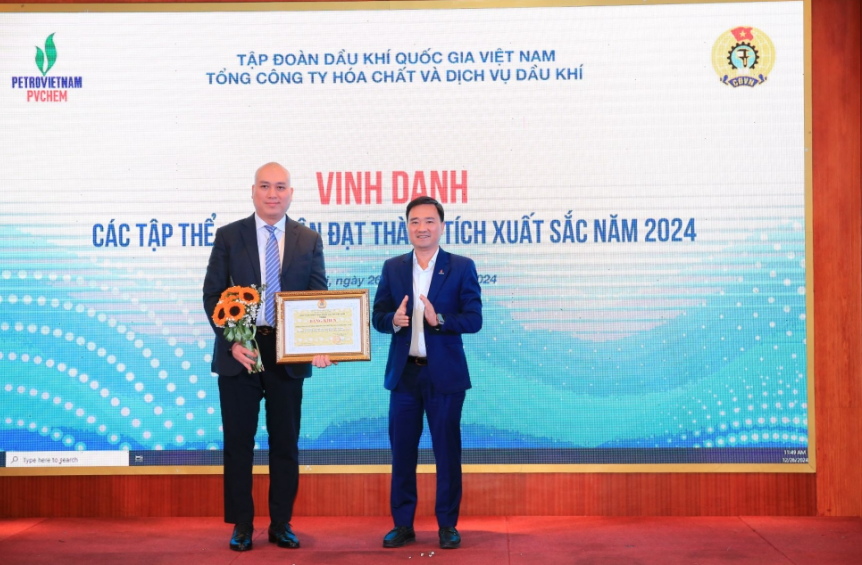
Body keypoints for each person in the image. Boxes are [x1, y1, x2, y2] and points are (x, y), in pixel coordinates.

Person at [203, 162, 333, 552]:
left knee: (285, 443)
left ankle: (281, 523)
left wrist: (321, 342)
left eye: (280, 187)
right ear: (253, 191)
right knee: (238, 442)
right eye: (265, 186)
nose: (272, 194)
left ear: (290, 193)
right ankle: (242, 524)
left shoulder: (308, 239)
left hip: (288, 352)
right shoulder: (229, 236)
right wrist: (232, 341)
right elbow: (212, 294)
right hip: (240, 350)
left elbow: (318, 297)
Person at [372, 195, 483, 550]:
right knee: (402, 453)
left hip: (445, 377)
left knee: (447, 453)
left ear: (442, 226)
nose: (422, 228)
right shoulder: (393, 268)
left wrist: (441, 319)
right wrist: (393, 320)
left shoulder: (461, 267)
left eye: (429, 221)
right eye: (415, 221)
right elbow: (378, 316)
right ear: (407, 227)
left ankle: (447, 524)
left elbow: (474, 319)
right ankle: (403, 524)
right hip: (404, 376)